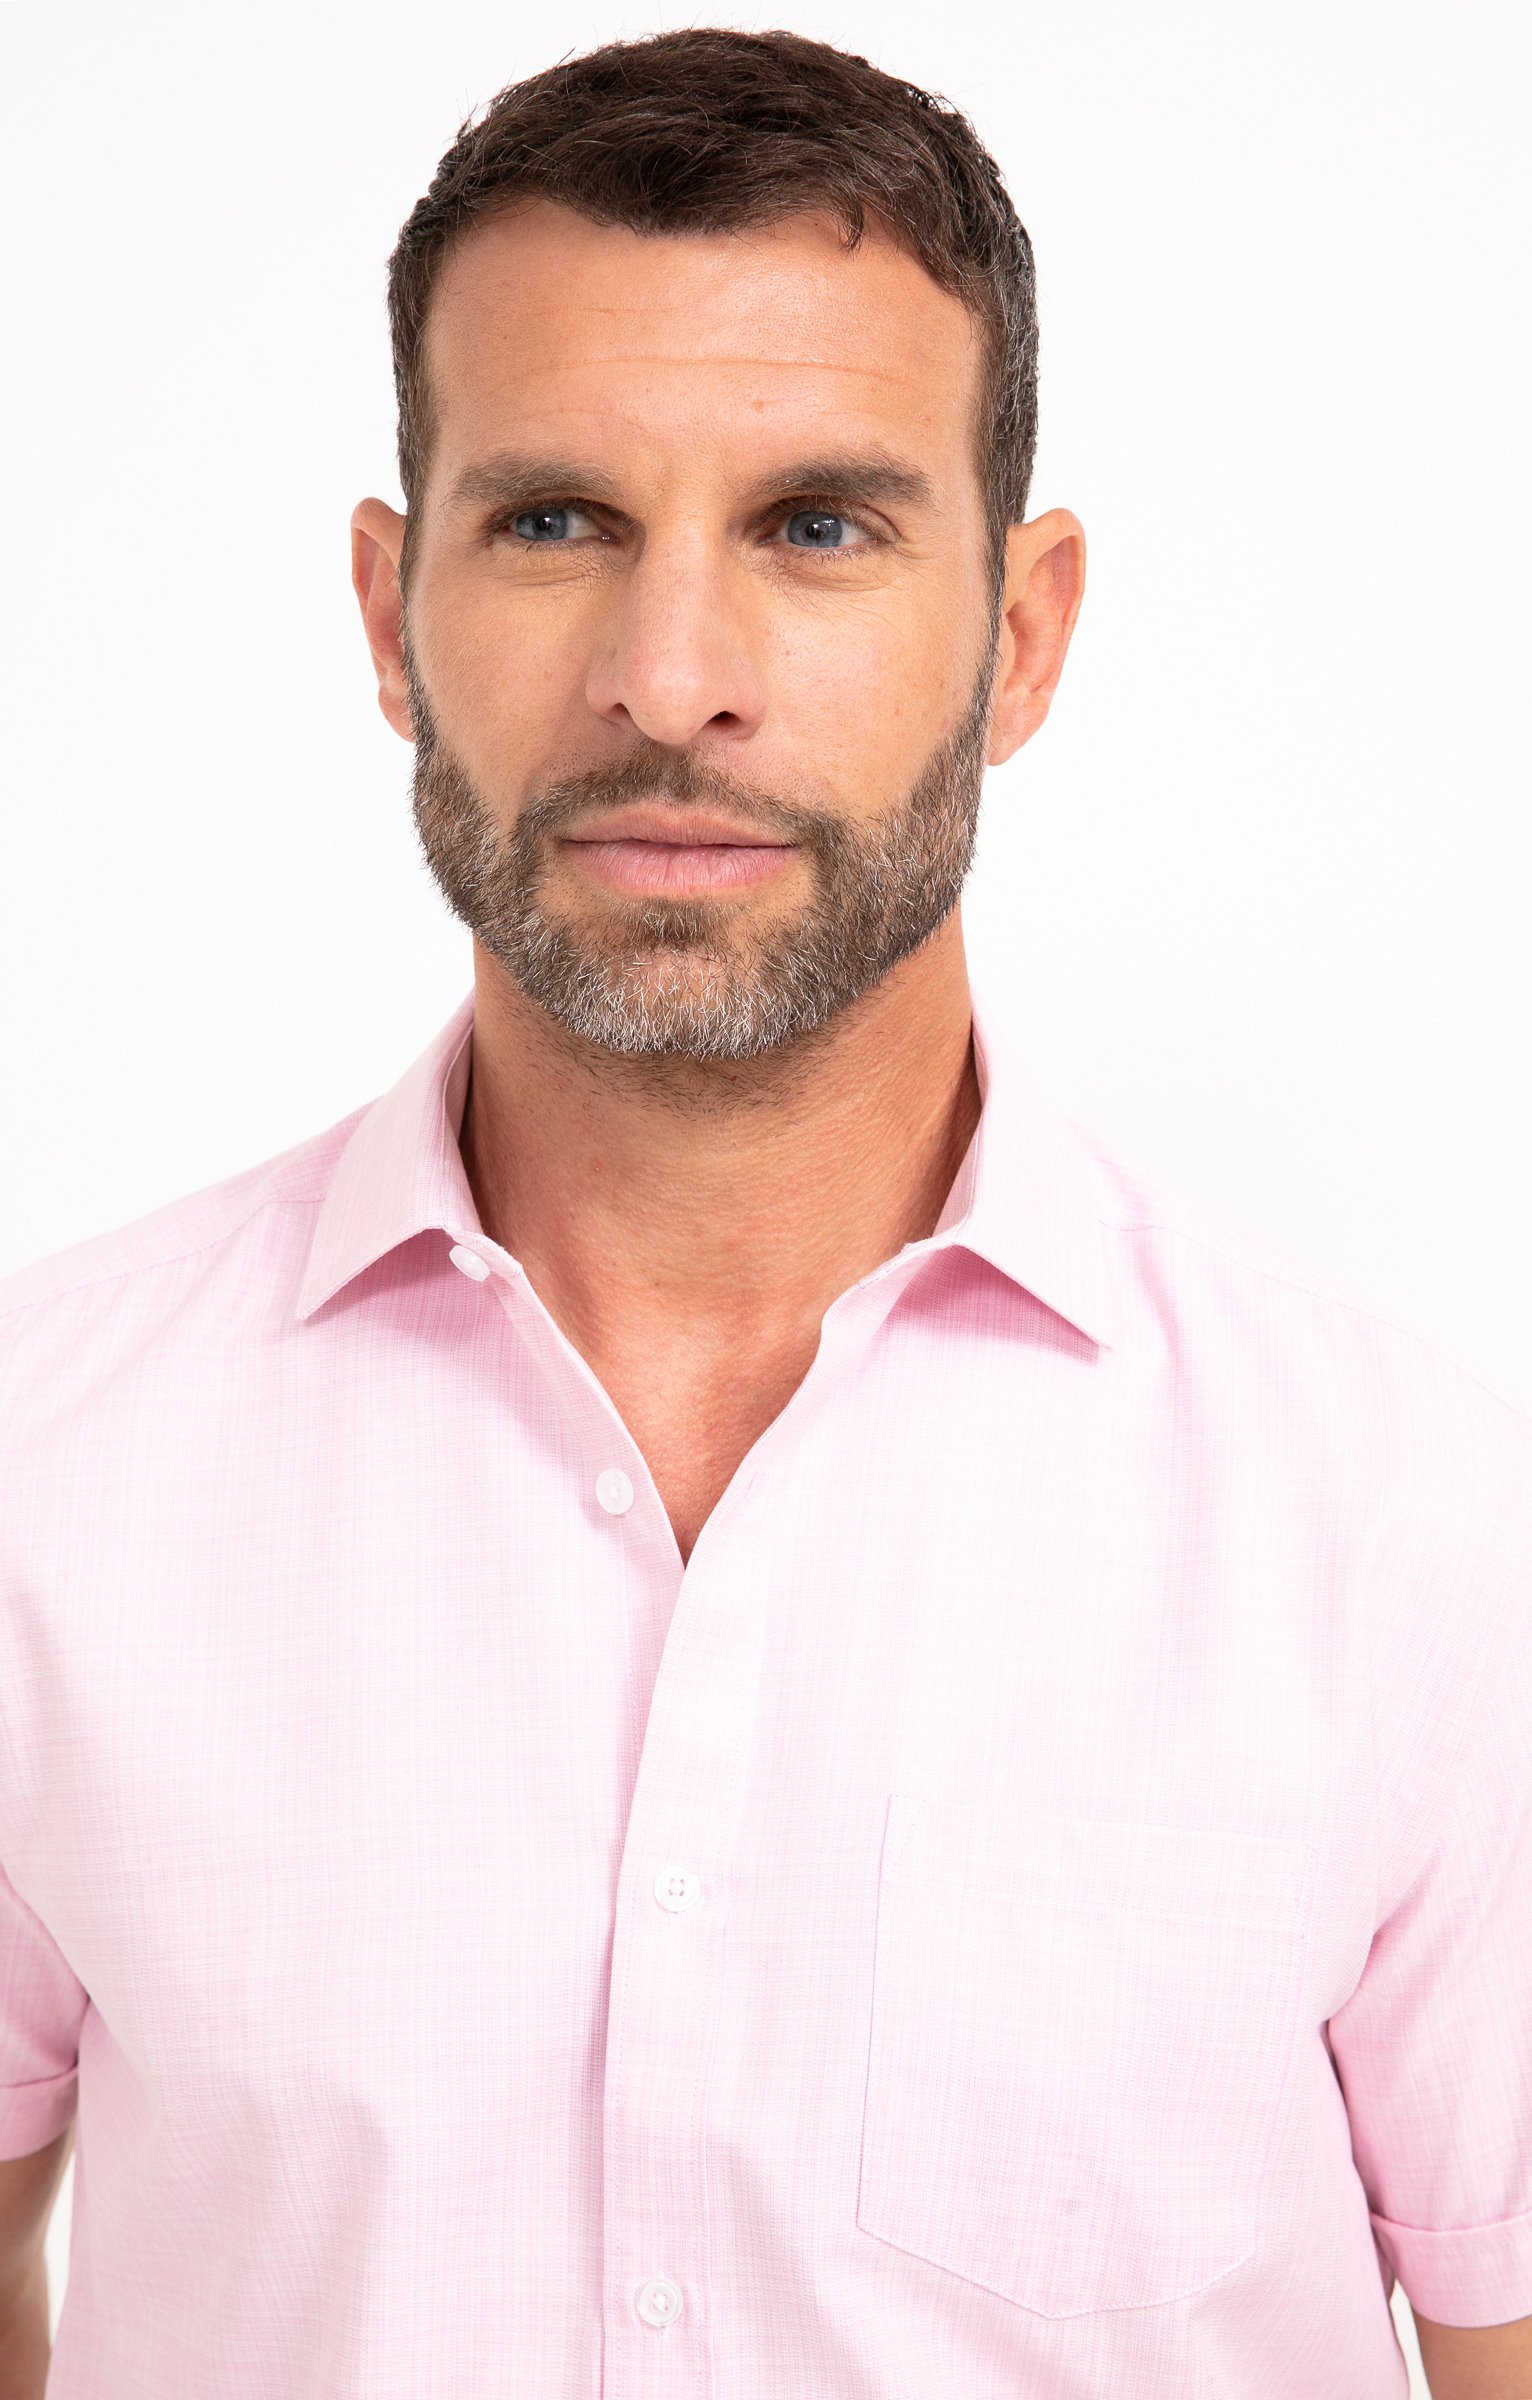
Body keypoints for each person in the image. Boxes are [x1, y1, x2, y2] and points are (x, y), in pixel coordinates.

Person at [0, 27, 1528, 2398]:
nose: (669, 681)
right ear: (390, 614)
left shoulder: (1407, 1525)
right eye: (553, 522)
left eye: (817, 526)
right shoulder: (47, 1462)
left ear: (1020, 634)